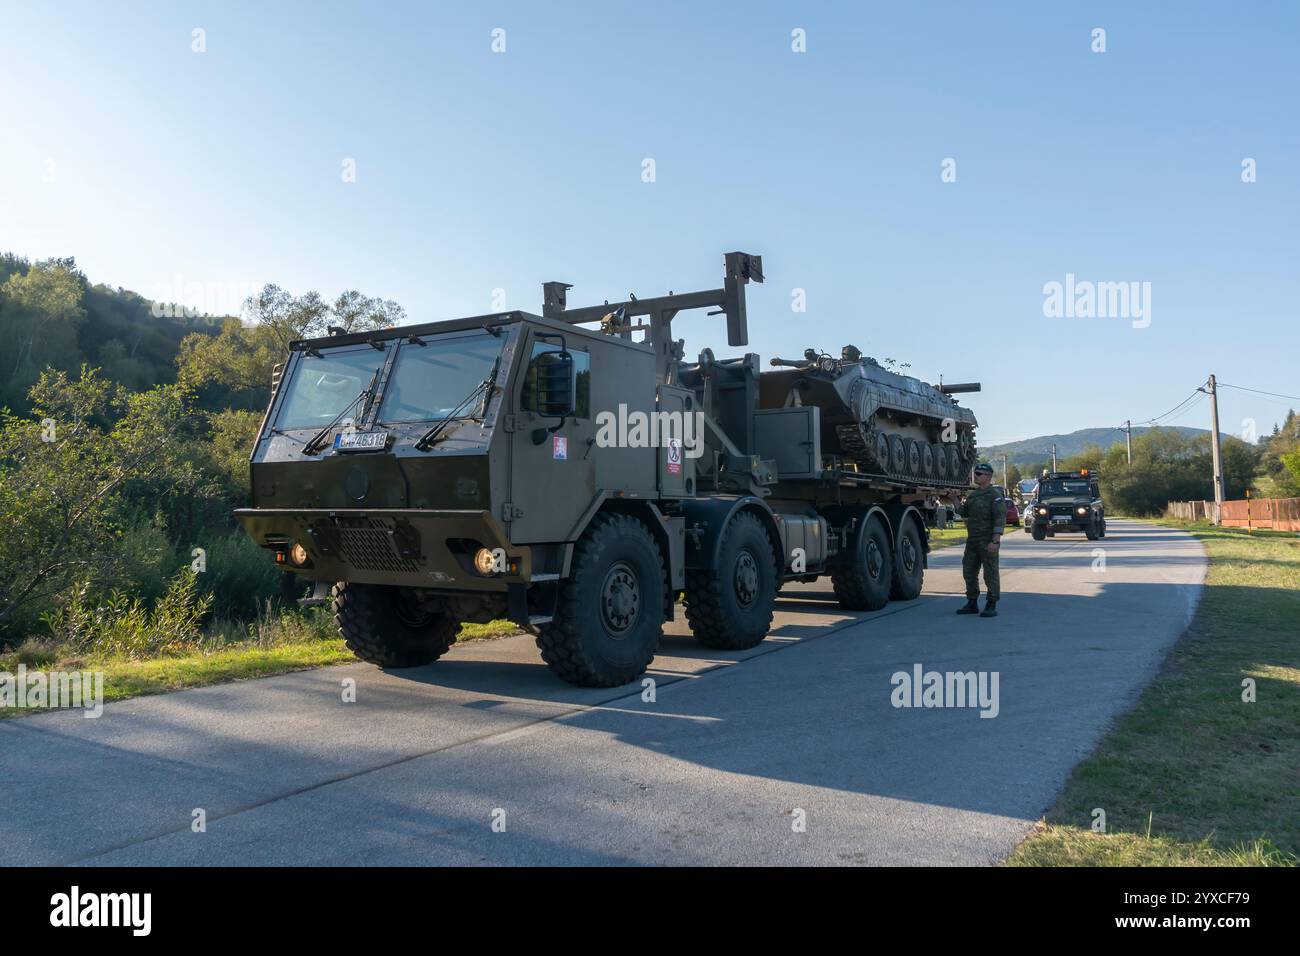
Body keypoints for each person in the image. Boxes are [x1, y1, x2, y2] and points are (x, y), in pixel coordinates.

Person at [955, 462, 1003, 618]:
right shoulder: (973, 495)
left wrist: (995, 541)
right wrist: (954, 499)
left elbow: (999, 519)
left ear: (988, 476)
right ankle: (972, 602)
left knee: (990, 573)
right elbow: (964, 512)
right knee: (968, 571)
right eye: (975, 473)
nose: (976, 475)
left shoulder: (994, 495)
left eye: (979, 473)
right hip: (973, 540)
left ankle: (991, 603)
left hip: (988, 540)